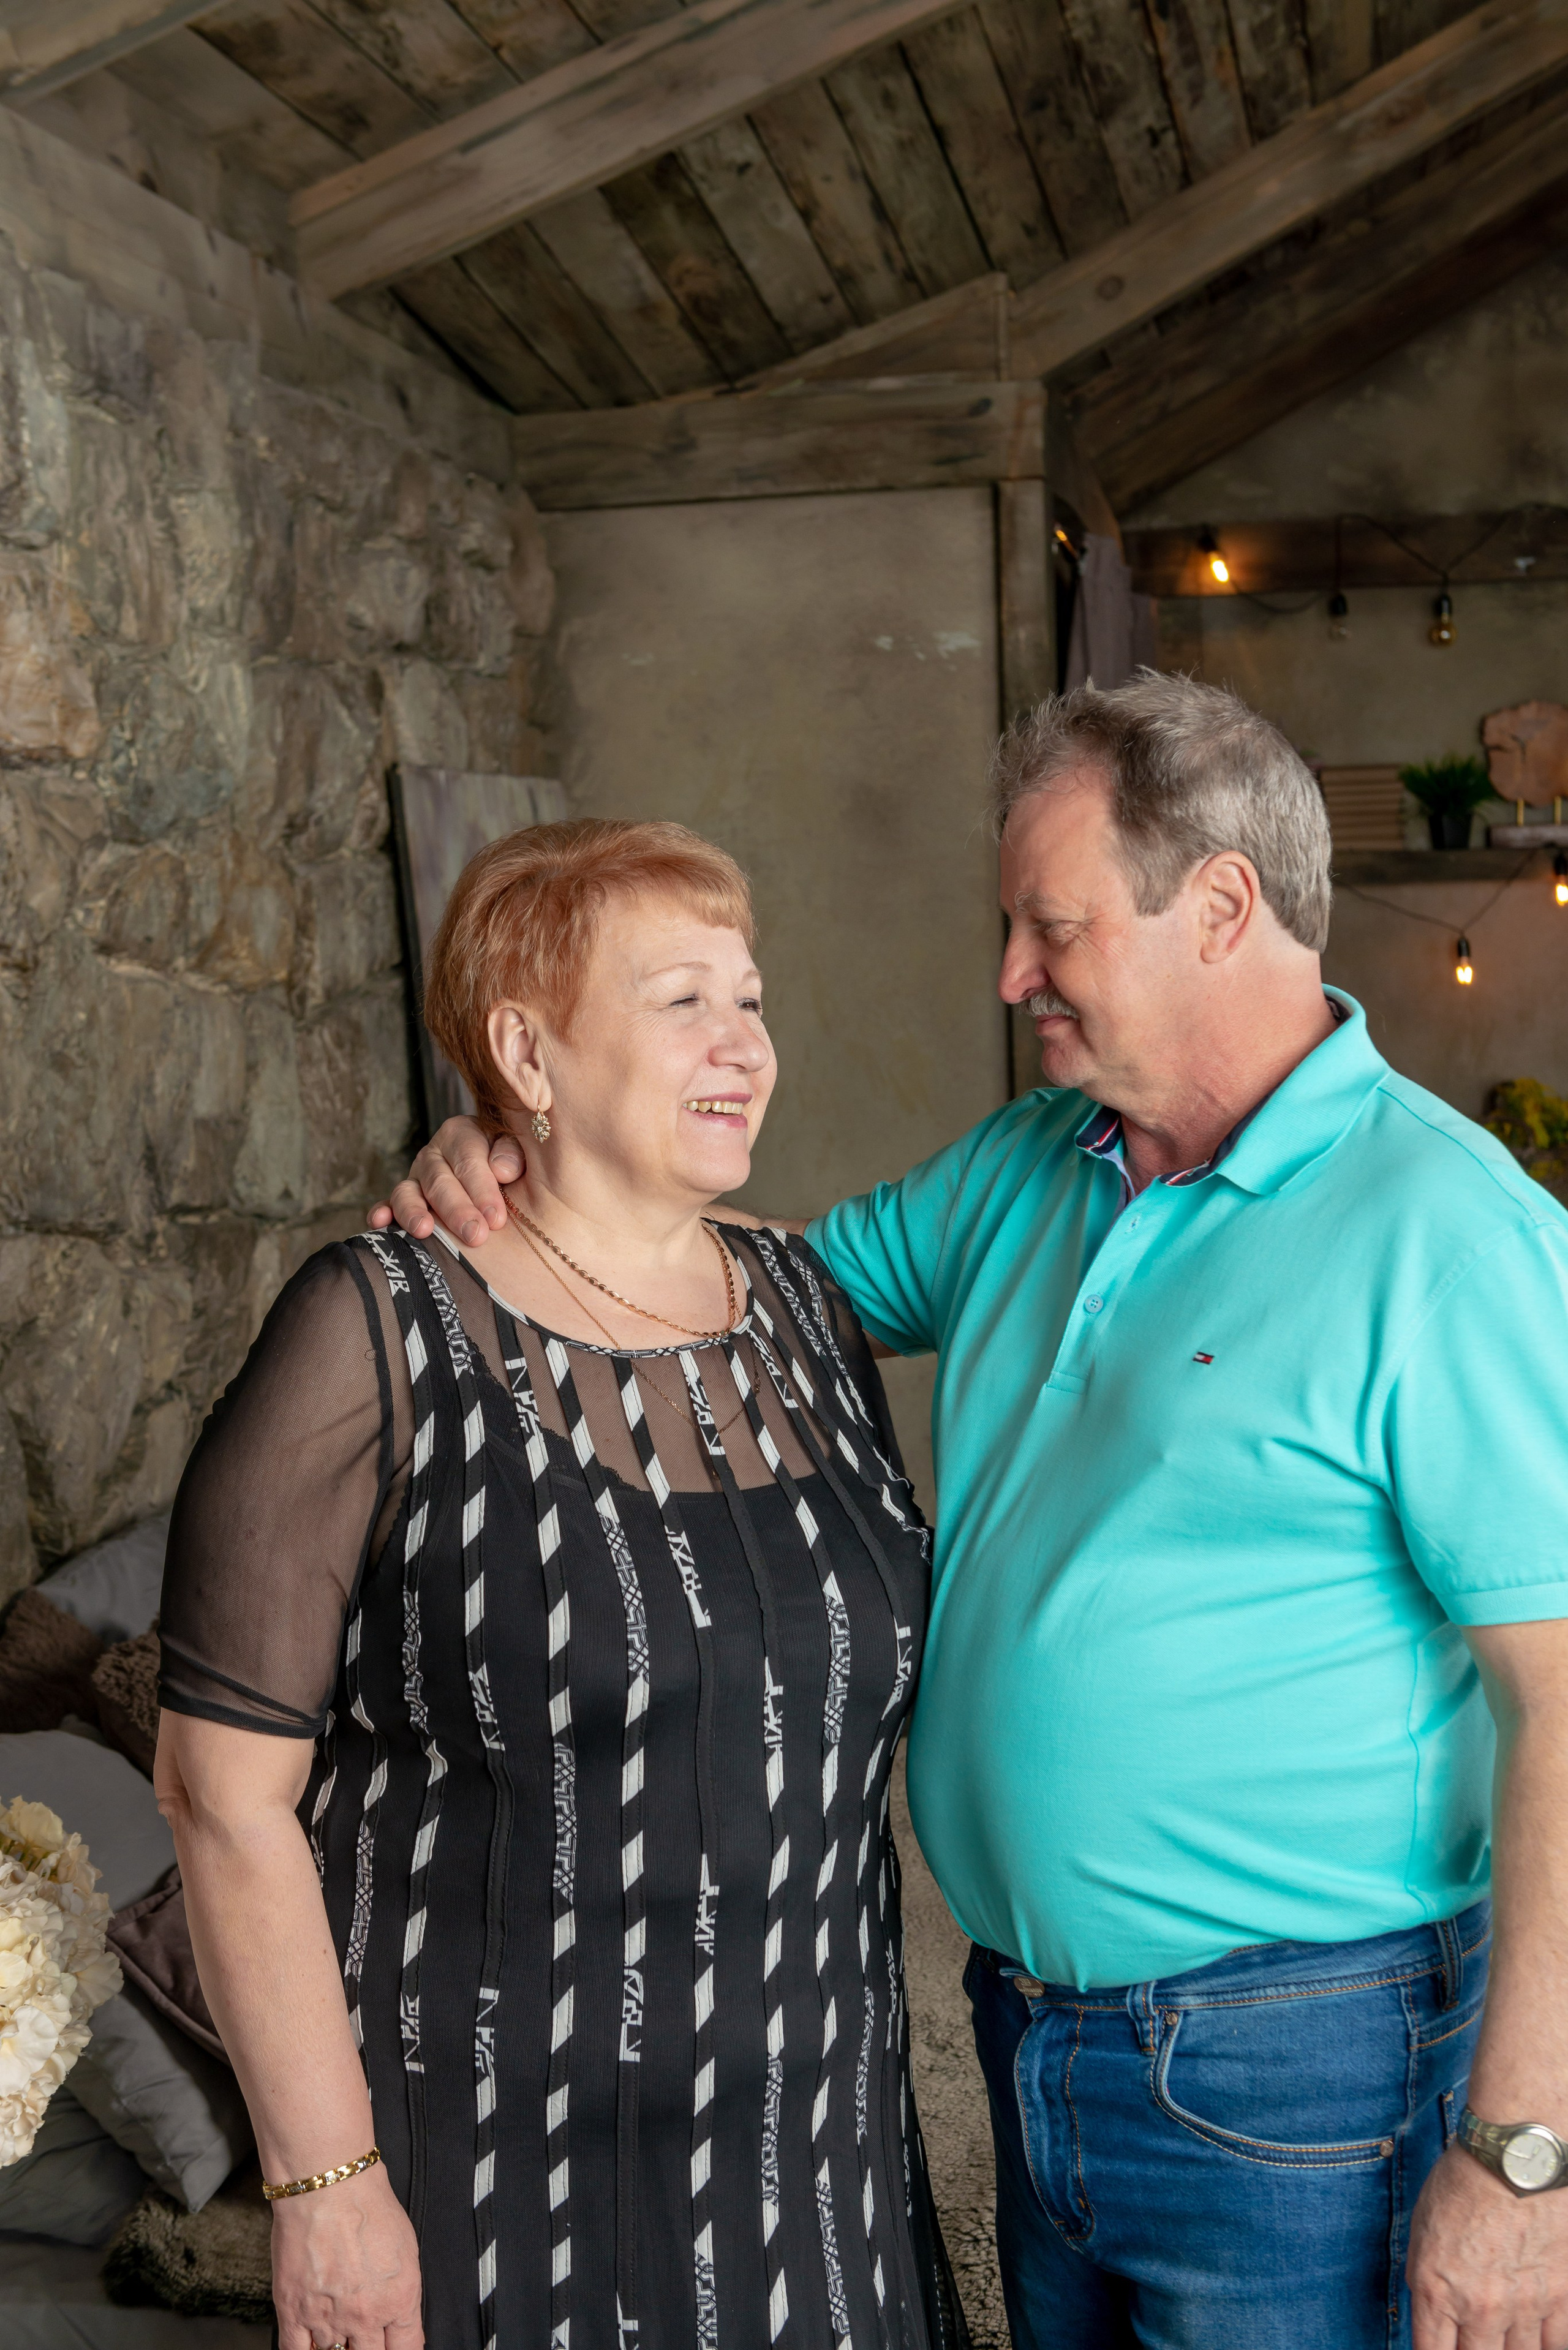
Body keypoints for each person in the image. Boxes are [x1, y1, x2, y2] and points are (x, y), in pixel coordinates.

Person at [383, 673, 1568, 2350]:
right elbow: (731, 1285)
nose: (1013, 975)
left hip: (1305, 2070)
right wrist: (526, 1163)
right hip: (1027, 2033)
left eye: (1051, 926)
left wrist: (1524, 2157)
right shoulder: (1035, 1158)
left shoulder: (1450, 1231)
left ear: (1220, 906)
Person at [155, 819, 969, 2350]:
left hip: (812, 2158)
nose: (747, 1044)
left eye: (752, 998)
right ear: (525, 1050)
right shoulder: (377, 1328)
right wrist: (323, 2184)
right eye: (683, 1002)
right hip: (486, 2170)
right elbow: (218, 1793)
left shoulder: (804, 1307)